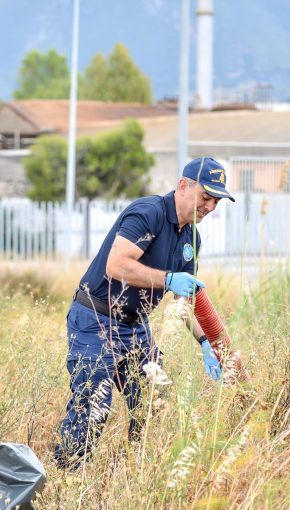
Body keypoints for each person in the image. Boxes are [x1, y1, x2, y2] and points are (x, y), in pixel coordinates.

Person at [53, 157, 235, 469]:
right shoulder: (148, 213)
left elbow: (182, 300)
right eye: (206, 198)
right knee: (94, 405)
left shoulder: (192, 238)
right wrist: (166, 278)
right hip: (96, 319)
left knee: (153, 401)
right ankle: (68, 477)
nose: (210, 207)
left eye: (216, 202)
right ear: (183, 187)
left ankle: (135, 472)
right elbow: (117, 265)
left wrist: (204, 343)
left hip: (136, 328)